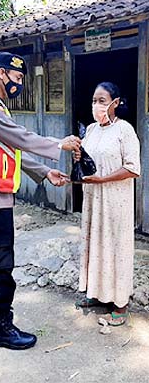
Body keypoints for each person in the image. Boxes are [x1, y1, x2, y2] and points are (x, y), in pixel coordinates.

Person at [0, 51, 81, 350]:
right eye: (16, 78)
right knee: (0, 265)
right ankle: (0, 329)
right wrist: (57, 144)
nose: (18, 85)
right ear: (1, 74)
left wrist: (45, 172)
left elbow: (12, 151)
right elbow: (19, 137)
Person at [75, 82, 140, 326]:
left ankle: (120, 304)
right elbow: (88, 161)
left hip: (116, 200)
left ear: (116, 103)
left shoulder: (125, 130)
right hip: (93, 199)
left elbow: (133, 169)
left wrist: (103, 179)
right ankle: (97, 294)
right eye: (94, 100)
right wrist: (79, 159)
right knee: (95, 244)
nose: (97, 105)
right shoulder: (91, 130)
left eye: (102, 100)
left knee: (116, 248)